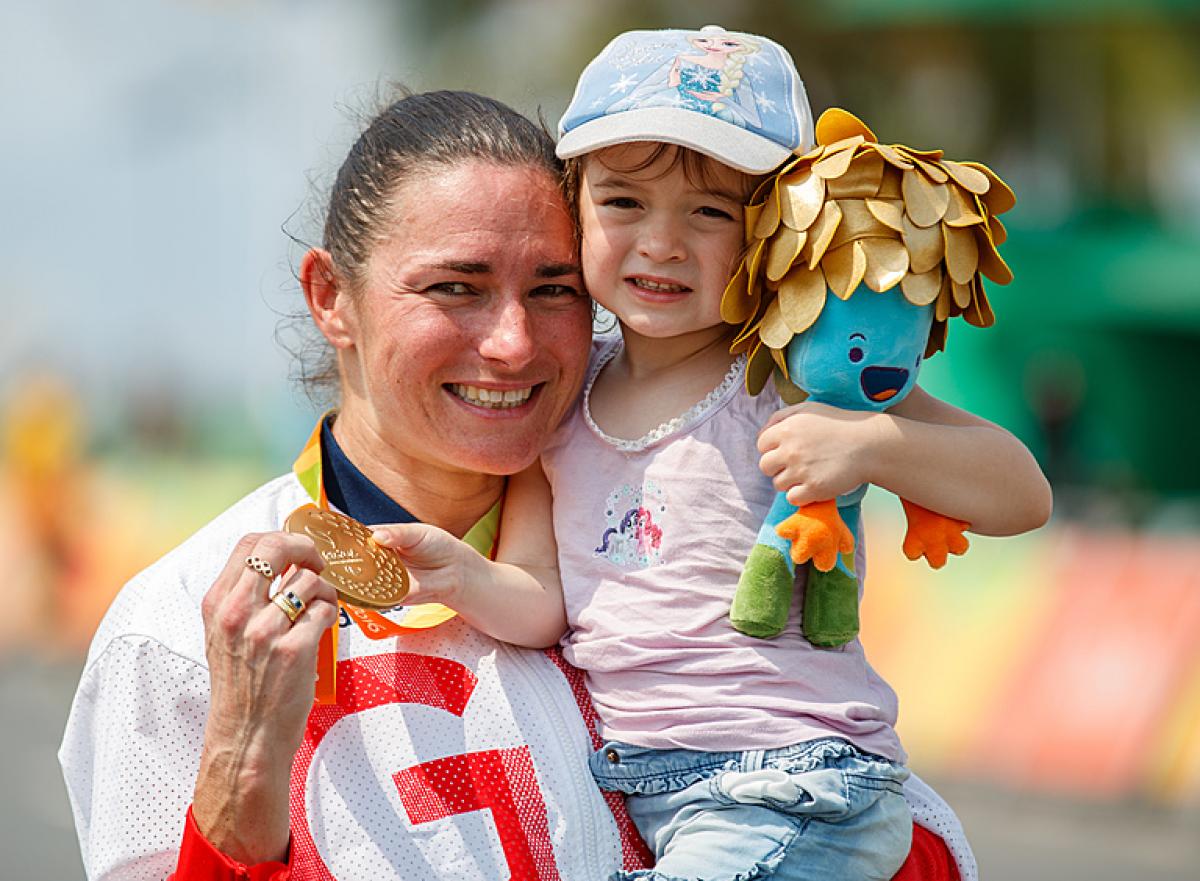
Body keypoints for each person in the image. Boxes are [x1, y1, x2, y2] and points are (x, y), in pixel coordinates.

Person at [60, 88, 981, 881]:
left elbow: (902, 833)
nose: (513, 343)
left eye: (555, 290)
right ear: (330, 297)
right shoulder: (179, 626)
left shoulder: (686, 500)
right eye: (456, 288)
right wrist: (241, 766)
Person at [371, 27, 1051, 881]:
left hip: (797, 786)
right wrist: (458, 576)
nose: (662, 242)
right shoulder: (564, 407)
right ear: (574, 205)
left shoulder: (789, 376)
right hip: (646, 792)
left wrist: (873, 441)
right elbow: (543, 600)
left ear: (777, 233)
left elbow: (1020, 494)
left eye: (710, 212)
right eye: (623, 203)